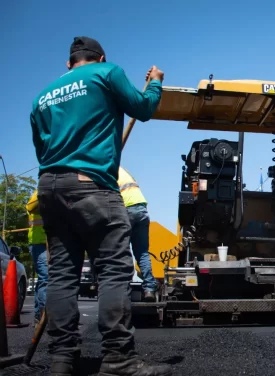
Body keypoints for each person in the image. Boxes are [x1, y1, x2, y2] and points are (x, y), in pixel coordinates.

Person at [30, 36, 171, 376]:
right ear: (101, 57)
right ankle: (119, 359)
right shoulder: (106, 73)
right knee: (112, 271)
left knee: (63, 277)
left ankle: (62, 360)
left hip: (50, 186)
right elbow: (143, 108)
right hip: (91, 186)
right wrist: (155, 84)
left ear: (69, 64)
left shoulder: (41, 98)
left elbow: (41, 148)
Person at [118, 166, 157, 302]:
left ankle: (123, 289)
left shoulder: (107, 169)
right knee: (142, 252)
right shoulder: (125, 172)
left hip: (126, 209)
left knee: (121, 251)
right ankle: (149, 289)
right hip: (141, 210)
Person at [26, 189, 48, 325]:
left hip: (51, 242)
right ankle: (45, 315)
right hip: (39, 243)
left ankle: (38, 315)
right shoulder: (39, 191)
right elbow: (31, 207)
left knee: (43, 280)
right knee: (46, 278)